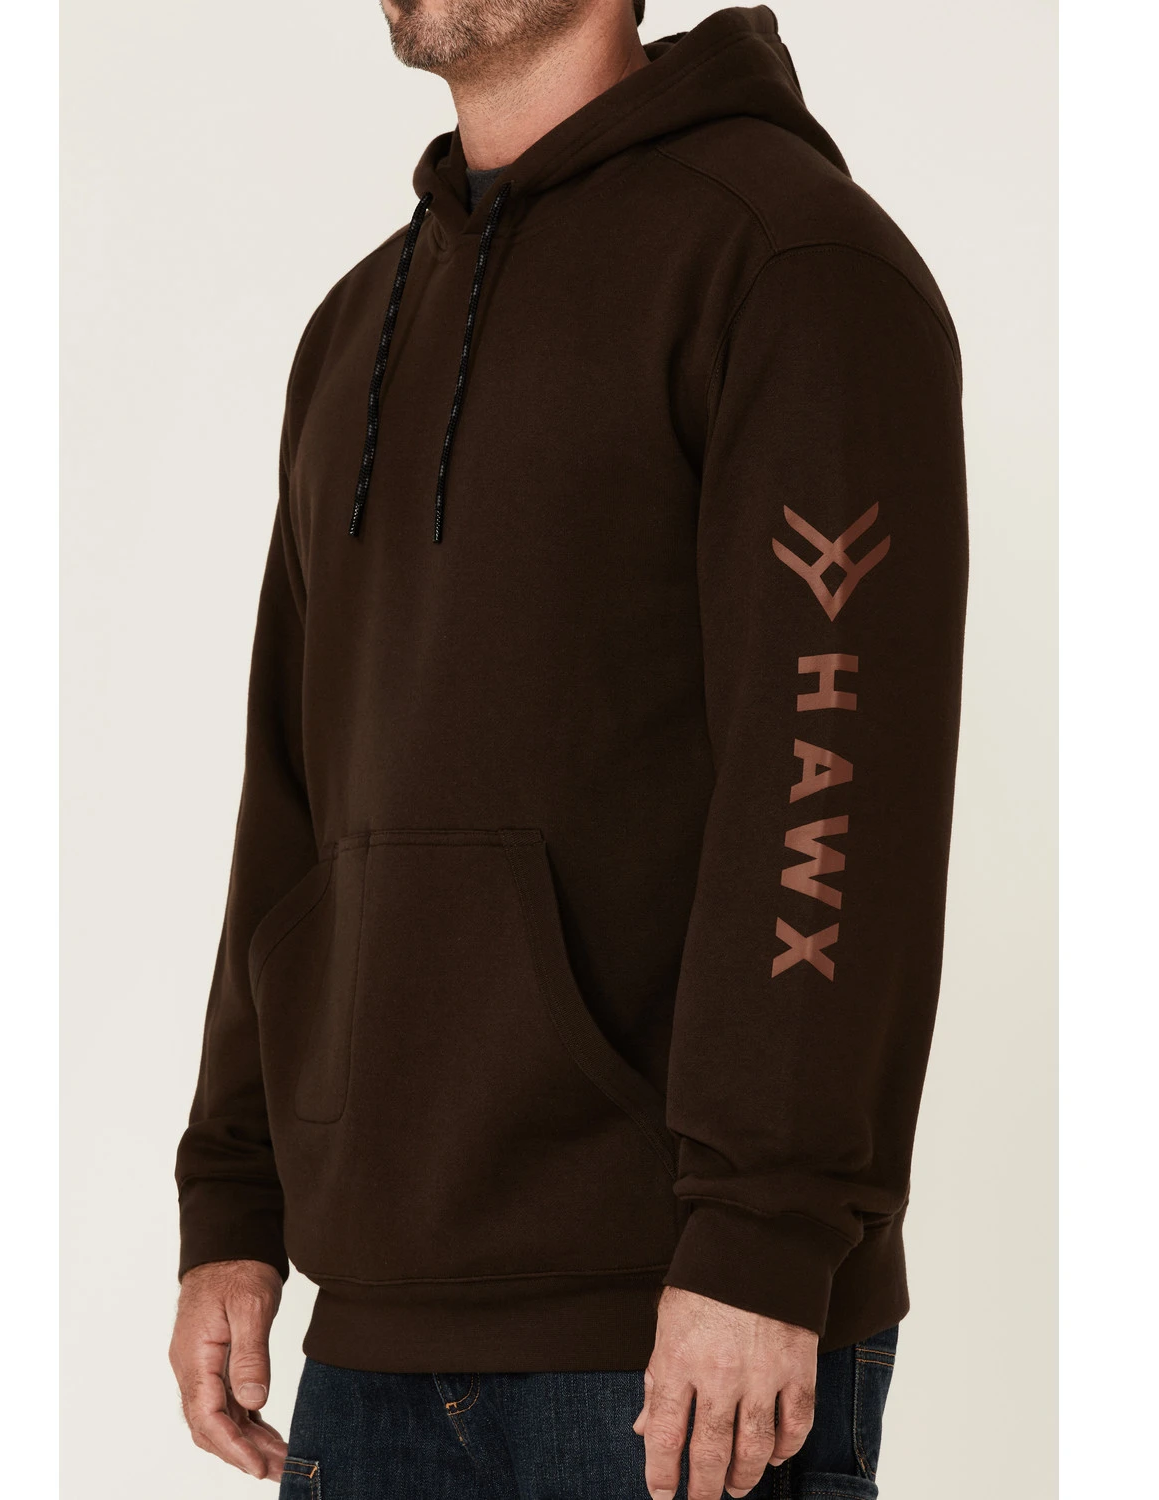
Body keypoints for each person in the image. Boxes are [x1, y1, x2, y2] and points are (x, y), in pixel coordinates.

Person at [168, 0, 968, 1494]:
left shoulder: (790, 265)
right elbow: (290, 792)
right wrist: (233, 1193)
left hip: (675, 1336)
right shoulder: (356, 324)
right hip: (372, 1333)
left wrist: (764, 1234)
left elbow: (837, 775)